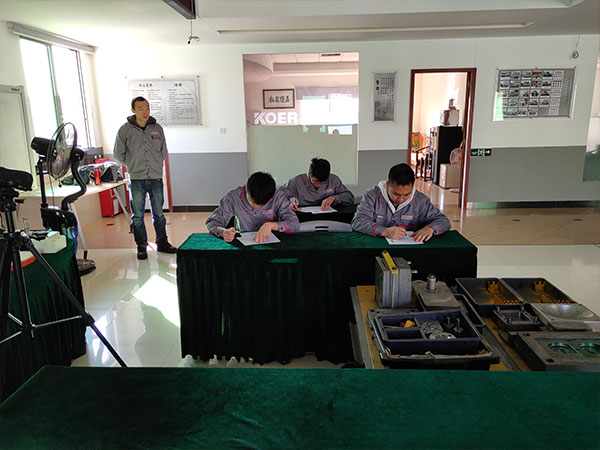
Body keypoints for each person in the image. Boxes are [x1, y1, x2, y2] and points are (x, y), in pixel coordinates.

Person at [114, 96, 177, 260]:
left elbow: (163, 151)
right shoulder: (125, 130)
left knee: (159, 213)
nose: (145, 112)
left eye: (147, 108)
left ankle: (162, 242)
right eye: (141, 108)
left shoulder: (157, 128)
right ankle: (141, 246)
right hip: (136, 178)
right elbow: (118, 154)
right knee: (138, 215)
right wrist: (132, 164)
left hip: (155, 177)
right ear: (133, 110)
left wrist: (156, 164)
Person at [352, 163, 450, 242]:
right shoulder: (372, 195)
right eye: (396, 194)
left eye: (407, 194)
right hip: (376, 245)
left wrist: (430, 228)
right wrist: (384, 231)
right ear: (387, 184)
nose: (401, 199)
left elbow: (443, 221)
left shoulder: (420, 200)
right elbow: (358, 221)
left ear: (413, 187)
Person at [206, 171, 299, 243]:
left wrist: (272, 225)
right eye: (252, 202)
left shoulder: (278, 196)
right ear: (246, 188)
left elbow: (294, 224)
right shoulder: (233, 197)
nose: (256, 208)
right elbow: (212, 222)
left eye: (262, 205)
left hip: (271, 242)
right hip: (244, 243)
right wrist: (222, 232)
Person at [281, 158, 354, 211]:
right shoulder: (297, 181)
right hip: (303, 217)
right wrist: (288, 204)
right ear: (309, 174)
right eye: (316, 182)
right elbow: (278, 196)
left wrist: (334, 198)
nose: (319, 185)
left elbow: (349, 198)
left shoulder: (334, 179)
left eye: (323, 183)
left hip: (327, 215)